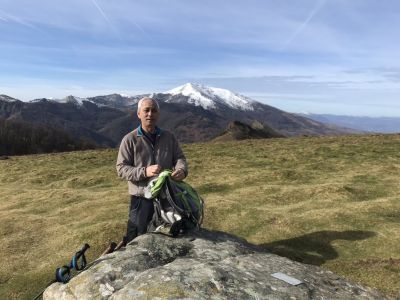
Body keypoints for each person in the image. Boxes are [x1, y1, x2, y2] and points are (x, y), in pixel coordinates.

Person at [116, 97, 188, 245]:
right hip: (141, 198)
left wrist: (181, 170)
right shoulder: (130, 139)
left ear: (158, 114)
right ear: (138, 114)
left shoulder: (169, 137)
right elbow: (121, 168)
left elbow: (179, 158)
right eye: (146, 110)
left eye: (154, 110)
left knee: (166, 234)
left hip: (166, 196)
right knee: (136, 236)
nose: (150, 114)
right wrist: (144, 171)